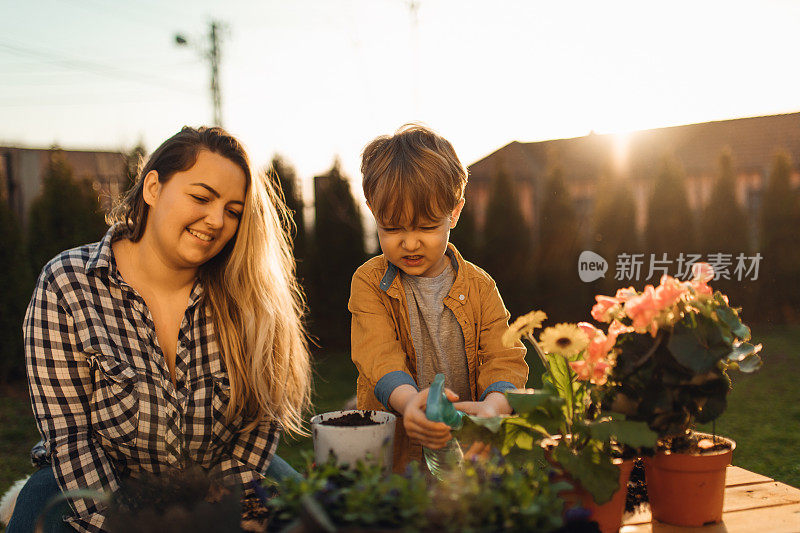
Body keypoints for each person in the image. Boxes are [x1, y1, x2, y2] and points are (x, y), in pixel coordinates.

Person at [7, 126, 311, 533]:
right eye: (201, 197)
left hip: (220, 476)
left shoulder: (247, 293)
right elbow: (71, 437)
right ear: (153, 187)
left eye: (233, 210)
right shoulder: (67, 285)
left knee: (315, 518)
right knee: (37, 516)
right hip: (94, 485)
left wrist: (218, 515)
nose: (217, 220)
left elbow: (258, 427)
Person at [349, 123, 528, 472]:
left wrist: (495, 406)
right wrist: (408, 401)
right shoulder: (369, 282)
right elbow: (377, 353)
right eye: (393, 228)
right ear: (373, 211)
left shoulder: (480, 286)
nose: (410, 242)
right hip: (396, 453)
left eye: (427, 227)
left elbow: (503, 355)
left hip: (469, 451)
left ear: (455, 212)